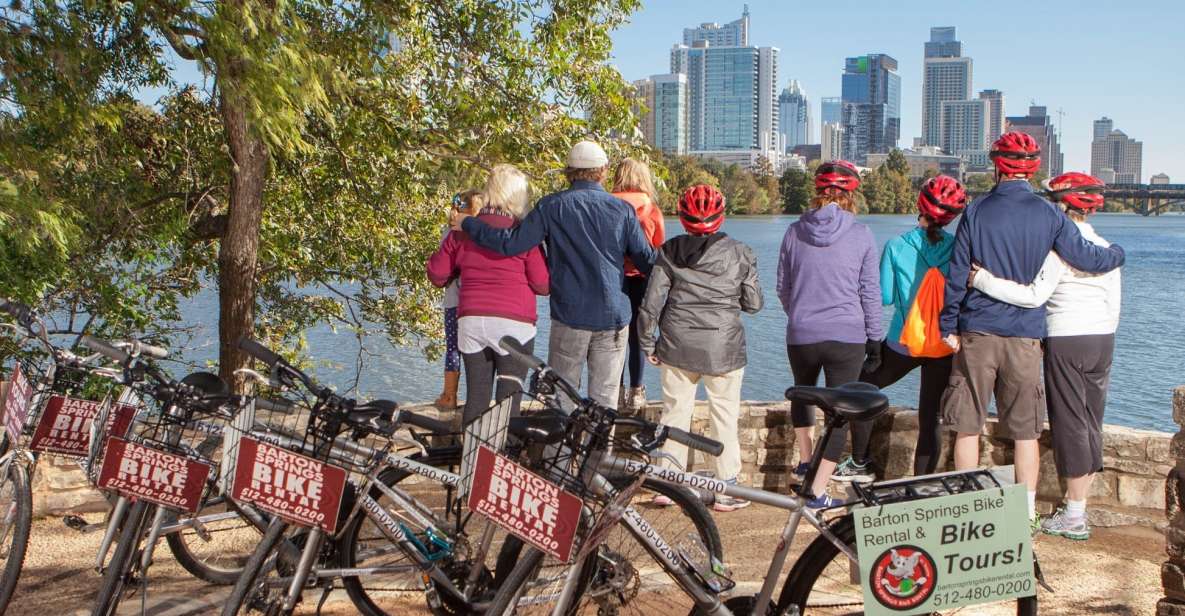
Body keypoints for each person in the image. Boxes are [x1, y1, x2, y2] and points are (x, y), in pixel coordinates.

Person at [939, 132, 1125, 525]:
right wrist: (1118, 254)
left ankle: (964, 508)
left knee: (968, 426)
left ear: (996, 166)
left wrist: (947, 323)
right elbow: (1084, 257)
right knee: (1025, 431)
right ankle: (1024, 514)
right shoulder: (1050, 215)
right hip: (1025, 336)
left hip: (977, 332)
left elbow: (957, 272)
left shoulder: (977, 211)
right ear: (1033, 168)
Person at [450, 141, 657, 410]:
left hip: (569, 316)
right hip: (612, 317)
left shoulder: (550, 207)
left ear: (568, 172)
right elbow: (647, 261)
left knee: (563, 399)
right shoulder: (622, 211)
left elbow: (510, 243)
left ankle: (562, 452)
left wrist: (469, 223)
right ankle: (598, 454)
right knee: (605, 405)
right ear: (603, 171)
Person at [637, 184, 763, 512]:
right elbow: (753, 304)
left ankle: (668, 483)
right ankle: (727, 488)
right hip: (724, 348)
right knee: (724, 415)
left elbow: (651, 304)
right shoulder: (741, 252)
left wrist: (648, 342)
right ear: (720, 217)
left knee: (675, 413)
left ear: (682, 218)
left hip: (677, 345)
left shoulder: (668, 251)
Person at [776, 160, 883, 509]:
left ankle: (806, 461)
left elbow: (783, 287)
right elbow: (869, 292)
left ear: (817, 193)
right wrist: (876, 338)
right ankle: (818, 491)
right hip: (846, 335)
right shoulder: (862, 234)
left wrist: (801, 314)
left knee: (802, 396)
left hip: (802, 332)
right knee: (840, 414)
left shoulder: (793, 231)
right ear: (851, 195)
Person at [856, 175, 968, 477]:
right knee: (930, 416)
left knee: (861, 388)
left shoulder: (896, 246)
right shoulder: (959, 248)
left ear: (919, 206)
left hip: (901, 343)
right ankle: (922, 482)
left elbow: (886, 296)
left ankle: (859, 461)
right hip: (943, 346)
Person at [427, 165, 549, 425]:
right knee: (509, 403)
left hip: (472, 322)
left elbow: (437, 275)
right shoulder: (522, 233)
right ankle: (503, 461)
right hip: (515, 325)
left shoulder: (463, 230)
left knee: (477, 398)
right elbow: (542, 284)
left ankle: (471, 461)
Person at [612, 158, 666, 412]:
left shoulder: (609, 204)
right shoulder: (651, 208)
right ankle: (636, 391)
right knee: (638, 335)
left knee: (615, 336)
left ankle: (616, 389)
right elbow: (659, 246)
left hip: (615, 277)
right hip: (643, 278)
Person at [434, 190, 483, 410]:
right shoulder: (482, 234)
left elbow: (439, 268)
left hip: (454, 301)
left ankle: (449, 395)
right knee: (479, 351)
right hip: (476, 302)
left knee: (453, 348)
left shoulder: (449, 233)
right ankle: (477, 397)